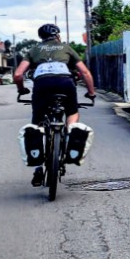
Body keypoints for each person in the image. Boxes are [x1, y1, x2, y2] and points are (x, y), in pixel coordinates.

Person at [14, 24, 97, 186]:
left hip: (42, 86)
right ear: (57, 35)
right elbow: (85, 72)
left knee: (37, 123)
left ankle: (38, 167)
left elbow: (18, 74)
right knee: (72, 112)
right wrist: (91, 92)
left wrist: (22, 89)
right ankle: (70, 136)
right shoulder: (66, 48)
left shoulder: (34, 50)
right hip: (65, 83)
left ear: (41, 37)